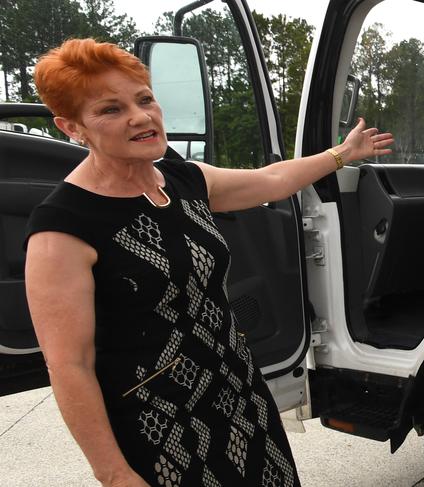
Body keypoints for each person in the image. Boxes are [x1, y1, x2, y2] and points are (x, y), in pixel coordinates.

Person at [24, 38, 393, 487]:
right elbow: (69, 366)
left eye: (144, 99)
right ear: (71, 126)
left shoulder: (182, 178)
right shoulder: (63, 227)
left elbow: (271, 180)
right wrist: (115, 474)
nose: (140, 117)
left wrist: (342, 153)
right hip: (157, 421)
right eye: (110, 109)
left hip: (237, 391)